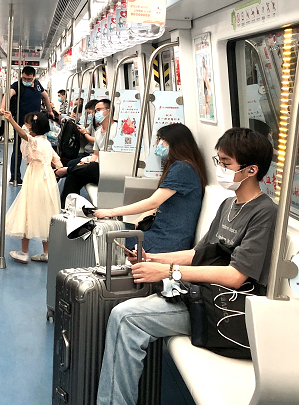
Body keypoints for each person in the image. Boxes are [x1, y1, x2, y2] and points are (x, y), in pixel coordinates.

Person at [96, 127, 277, 405]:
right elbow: (197, 254)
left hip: (226, 308)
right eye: (218, 161)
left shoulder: (264, 212)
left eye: (226, 163)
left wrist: (169, 271)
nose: (220, 169)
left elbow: (235, 276)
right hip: (203, 295)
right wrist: (152, 259)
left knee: (125, 318)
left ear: (251, 170)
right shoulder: (228, 205)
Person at [94, 123, 207, 253]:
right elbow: (157, 207)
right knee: (109, 229)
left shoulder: (182, 168)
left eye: (161, 140)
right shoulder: (183, 167)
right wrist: (134, 224)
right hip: (161, 234)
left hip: (166, 241)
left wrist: (111, 212)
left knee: (102, 235)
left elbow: (153, 202)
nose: (157, 144)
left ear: (175, 143)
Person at [0, 110, 62, 264]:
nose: (25, 127)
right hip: (47, 179)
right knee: (45, 213)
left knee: (27, 211)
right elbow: (57, 160)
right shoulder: (46, 142)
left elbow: (24, 136)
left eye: (27, 124)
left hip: (35, 177)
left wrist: (11, 120)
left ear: (33, 126)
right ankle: (46, 252)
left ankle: (24, 252)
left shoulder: (36, 141)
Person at [0, 66, 54, 185]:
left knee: (38, 148)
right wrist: (2, 108)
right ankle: (15, 177)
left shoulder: (38, 85)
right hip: (22, 122)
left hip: (36, 123)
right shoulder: (17, 85)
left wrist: (50, 111)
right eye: (24, 78)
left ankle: (39, 176)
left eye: (29, 79)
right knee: (18, 149)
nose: (26, 81)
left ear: (34, 77)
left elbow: (45, 97)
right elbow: (7, 95)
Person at [60, 99, 116, 207]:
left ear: (108, 111)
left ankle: (64, 170)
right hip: (98, 167)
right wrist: (86, 162)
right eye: (95, 111)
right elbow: (95, 154)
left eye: (99, 110)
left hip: (110, 168)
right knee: (74, 175)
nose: (96, 113)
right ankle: (66, 207)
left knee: (90, 167)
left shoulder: (117, 130)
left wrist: (90, 164)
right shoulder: (99, 132)